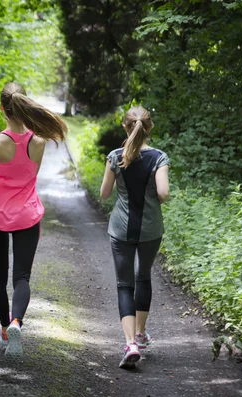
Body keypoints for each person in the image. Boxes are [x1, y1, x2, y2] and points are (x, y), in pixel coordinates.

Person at [0, 82, 67, 359]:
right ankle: (17, 322)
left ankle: (5, 329)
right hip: (27, 215)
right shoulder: (38, 142)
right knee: (22, 277)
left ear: (2, 109)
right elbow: (30, 176)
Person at [99, 105, 170, 368]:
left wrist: (120, 180)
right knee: (144, 277)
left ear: (125, 127)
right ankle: (140, 335)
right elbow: (163, 193)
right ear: (149, 127)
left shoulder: (115, 156)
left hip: (121, 229)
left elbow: (105, 194)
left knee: (124, 284)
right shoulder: (159, 158)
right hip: (151, 229)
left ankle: (129, 344)